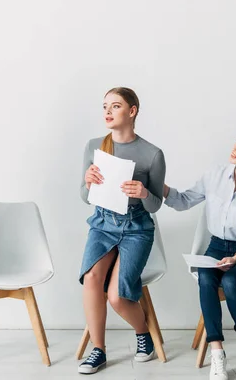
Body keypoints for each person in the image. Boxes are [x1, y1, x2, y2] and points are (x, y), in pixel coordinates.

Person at [163, 129, 236, 380]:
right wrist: (159, 188)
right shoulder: (215, 176)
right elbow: (183, 201)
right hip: (216, 247)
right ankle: (217, 353)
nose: (235, 148)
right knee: (206, 279)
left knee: (230, 280)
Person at [77, 87, 166, 374]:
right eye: (105, 106)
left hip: (136, 228)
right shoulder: (94, 145)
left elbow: (155, 206)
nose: (107, 112)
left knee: (117, 296)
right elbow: (83, 195)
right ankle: (98, 350)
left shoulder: (152, 154)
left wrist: (142, 193)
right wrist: (88, 184)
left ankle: (144, 334)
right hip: (103, 224)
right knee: (91, 277)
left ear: (132, 111)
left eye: (115, 106)